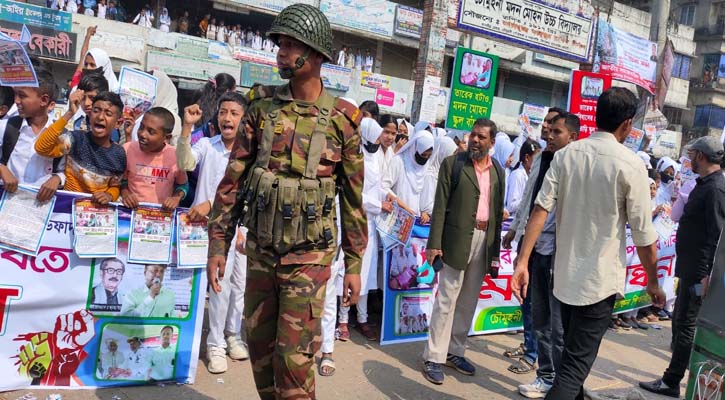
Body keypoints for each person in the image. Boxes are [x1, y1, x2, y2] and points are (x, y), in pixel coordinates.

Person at [205, 5, 366, 398]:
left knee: (293, 364)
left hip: (309, 260)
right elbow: (233, 182)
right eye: (279, 44)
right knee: (260, 356)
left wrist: (355, 266)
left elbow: (353, 202)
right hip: (261, 252)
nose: (280, 52)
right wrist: (218, 245)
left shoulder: (343, 121)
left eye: (290, 45)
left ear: (315, 56)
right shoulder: (259, 108)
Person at [511, 88, 665, 399]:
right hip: (598, 285)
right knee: (571, 372)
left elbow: (540, 209)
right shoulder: (629, 164)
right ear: (627, 124)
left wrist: (522, 261)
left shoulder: (566, 156)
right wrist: (652, 283)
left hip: (565, 279)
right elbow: (644, 237)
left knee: (570, 361)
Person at [640, 136, 725, 398]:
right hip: (689, 269)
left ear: (701, 156)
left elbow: (717, 235)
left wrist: (708, 274)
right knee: (680, 322)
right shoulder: (702, 184)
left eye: (692, 154)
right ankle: (677, 374)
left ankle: (672, 380)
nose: (688, 158)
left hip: (700, 272)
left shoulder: (715, 189)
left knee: (686, 324)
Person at [422, 118, 505, 385]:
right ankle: (434, 356)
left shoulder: (498, 172)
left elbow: (497, 213)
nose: (475, 141)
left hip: (484, 240)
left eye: (482, 137)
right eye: (473, 136)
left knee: (468, 301)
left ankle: (454, 352)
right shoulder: (453, 164)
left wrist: (495, 252)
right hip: (455, 239)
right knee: (446, 299)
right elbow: (439, 207)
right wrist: (434, 244)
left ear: (492, 142)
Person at [503, 112, 579, 397]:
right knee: (537, 313)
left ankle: (559, 379)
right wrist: (516, 230)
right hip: (533, 246)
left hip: (557, 251)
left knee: (556, 324)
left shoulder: (574, 164)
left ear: (572, 136)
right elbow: (529, 201)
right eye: (547, 128)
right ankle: (546, 375)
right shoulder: (540, 160)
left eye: (555, 130)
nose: (548, 133)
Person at [177, 94, 250, 374]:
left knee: (239, 284)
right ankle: (215, 343)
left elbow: (246, 193)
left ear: (244, 120)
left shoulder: (248, 153)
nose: (227, 118)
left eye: (233, 113)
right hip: (209, 228)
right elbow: (185, 163)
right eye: (223, 112)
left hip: (238, 226)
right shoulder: (207, 144)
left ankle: (233, 334)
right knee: (218, 284)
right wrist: (187, 127)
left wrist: (243, 228)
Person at [337, 118, 390, 342]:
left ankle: (362, 317)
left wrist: (385, 199)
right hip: (354, 220)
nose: (379, 142)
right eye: (376, 137)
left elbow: (378, 187)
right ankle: (342, 319)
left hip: (371, 222)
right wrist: (379, 205)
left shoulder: (377, 157)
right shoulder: (355, 158)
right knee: (349, 271)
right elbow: (355, 193)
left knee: (366, 274)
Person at [35, 91, 125, 203]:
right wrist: (69, 113)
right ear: (90, 114)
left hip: (96, 212)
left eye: (108, 114)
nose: (100, 117)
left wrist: (109, 195)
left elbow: (115, 186)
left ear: (118, 123)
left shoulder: (119, 155)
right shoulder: (76, 139)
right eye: (96, 111)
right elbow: (41, 148)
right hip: (66, 207)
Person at [0, 68, 65, 203]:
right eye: (16, 95)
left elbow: (66, 170)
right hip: (7, 204)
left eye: (22, 96)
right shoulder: (7, 126)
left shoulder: (61, 136)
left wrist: (57, 179)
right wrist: (2, 168)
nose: (17, 101)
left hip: (40, 210)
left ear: (43, 100)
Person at [121, 107, 188, 210]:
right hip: (132, 213)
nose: (142, 134)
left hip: (161, 216)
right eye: (141, 127)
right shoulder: (127, 149)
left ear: (167, 138)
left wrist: (175, 198)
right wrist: (125, 193)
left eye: (151, 132)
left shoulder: (175, 156)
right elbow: (121, 181)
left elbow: (183, 185)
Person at [382, 128, 435, 222]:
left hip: (414, 220)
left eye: (428, 156)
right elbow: (384, 187)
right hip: (394, 217)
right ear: (415, 148)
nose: (425, 158)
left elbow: (421, 194)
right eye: (423, 155)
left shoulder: (425, 167)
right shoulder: (399, 161)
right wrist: (404, 207)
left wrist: (423, 212)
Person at [420, 135, 457, 215]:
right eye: (451, 154)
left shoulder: (440, 173)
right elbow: (426, 207)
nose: (453, 158)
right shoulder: (431, 175)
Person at [505, 139, 541, 219]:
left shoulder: (530, 174)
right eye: (536, 158)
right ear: (527, 158)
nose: (539, 162)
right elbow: (511, 206)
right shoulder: (518, 175)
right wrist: (531, 196)